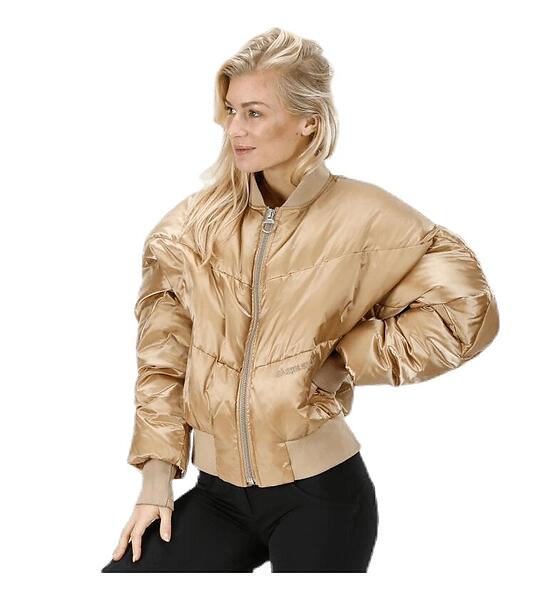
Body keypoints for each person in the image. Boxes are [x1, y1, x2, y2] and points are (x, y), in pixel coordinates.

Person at [101, 27, 499, 573]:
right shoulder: (191, 227)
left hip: (323, 497)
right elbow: (163, 358)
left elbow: (466, 312)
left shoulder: (368, 217)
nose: (235, 129)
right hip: (217, 496)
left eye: (255, 113)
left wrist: (340, 360)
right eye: (231, 111)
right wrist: (155, 481)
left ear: (308, 120)